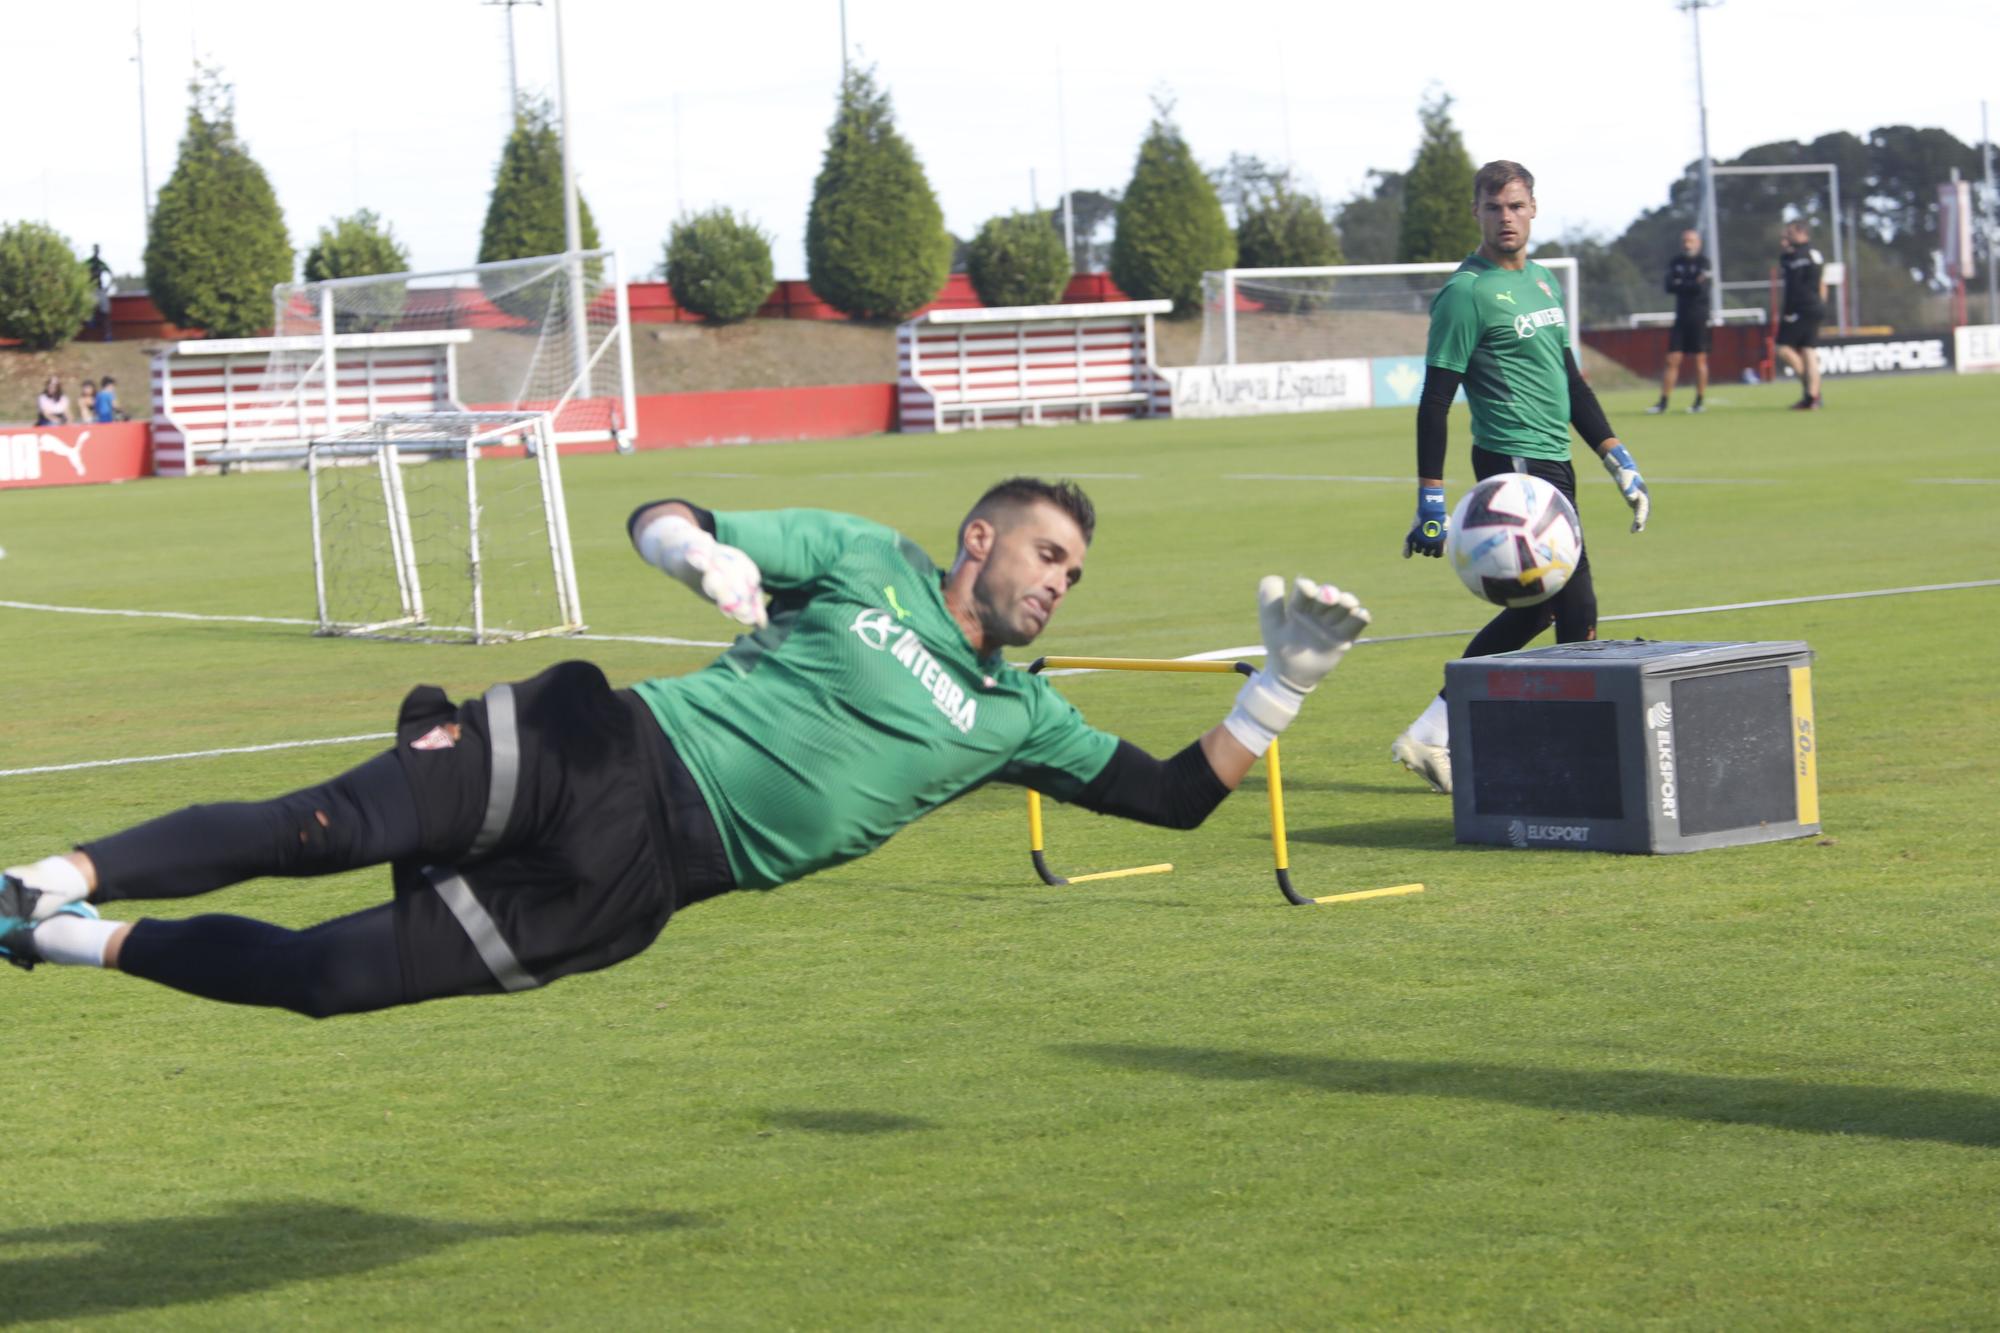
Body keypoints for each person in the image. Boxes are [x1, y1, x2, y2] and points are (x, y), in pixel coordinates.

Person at [2, 479, 1372, 1016]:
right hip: (605, 743)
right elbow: (659, 510)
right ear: (980, 539)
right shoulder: (864, 561)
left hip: (643, 879)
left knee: (323, 977)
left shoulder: (1023, 718)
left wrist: (1285, 686)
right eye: (1046, 553)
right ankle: (51, 871)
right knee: (325, 832)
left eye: (1074, 568)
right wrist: (701, 553)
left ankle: (57, 940)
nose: (1059, 581)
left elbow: (1174, 800)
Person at [1390, 161, 1652, 795]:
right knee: (1575, 604)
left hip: (1553, 465)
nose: (1505, 217)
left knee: (1540, 608)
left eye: (1515, 205)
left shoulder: (1542, 283)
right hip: (1513, 467)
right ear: (1476, 213)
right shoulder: (1466, 293)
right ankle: (1569, 754)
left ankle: (1435, 731)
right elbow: (1435, 399)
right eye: (1493, 207)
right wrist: (1431, 497)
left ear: (1534, 209)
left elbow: (1570, 381)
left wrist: (1616, 457)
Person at [1647, 229, 1712, 415]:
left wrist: (1682, 284)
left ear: (1698, 242)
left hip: (1700, 317)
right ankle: (1663, 402)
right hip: (1681, 317)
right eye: (1684, 240)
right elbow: (1669, 286)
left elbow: (1701, 288)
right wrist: (1690, 283)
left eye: (1691, 240)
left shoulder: (1704, 262)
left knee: (1700, 359)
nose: (1687, 244)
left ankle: (1699, 401)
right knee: (1672, 359)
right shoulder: (1676, 262)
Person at [1776, 221, 1826, 411]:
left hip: (1800, 309)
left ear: (1802, 233)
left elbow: (1794, 289)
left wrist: (1789, 312)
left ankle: (1812, 392)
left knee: (1783, 349)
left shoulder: (1794, 257)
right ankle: (1812, 396)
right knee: (1808, 350)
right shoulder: (1814, 253)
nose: (1787, 237)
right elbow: (1821, 282)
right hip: (1815, 306)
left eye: (1790, 233)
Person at [85, 244, 114, 342]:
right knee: (89, 309)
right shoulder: (88, 262)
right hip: (90, 289)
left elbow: (110, 274)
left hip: (101, 289)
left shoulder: (101, 263)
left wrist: (107, 287)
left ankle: (108, 336)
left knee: (105, 313)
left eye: (98, 250)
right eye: (95, 249)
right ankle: (90, 332)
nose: (96, 251)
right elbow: (79, 271)